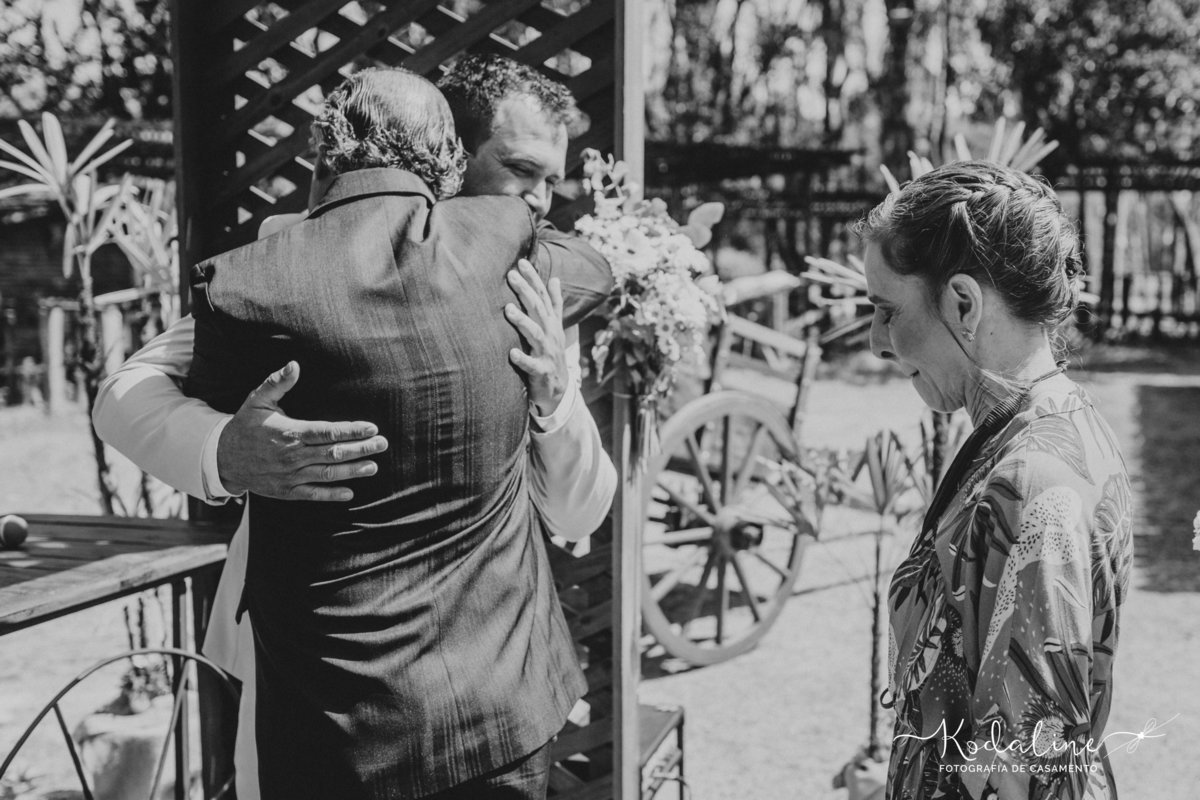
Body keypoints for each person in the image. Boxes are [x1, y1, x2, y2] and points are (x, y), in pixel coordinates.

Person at [92, 59, 615, 799]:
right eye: (522, 170)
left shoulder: (532, 288)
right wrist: (223, 451)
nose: (539, 201)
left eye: (552, 183)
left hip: (491, 683)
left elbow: (579, 509)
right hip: (322, 691)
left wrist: (556, 401)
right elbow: (126, 391)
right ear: (451, 160)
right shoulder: (283, 272)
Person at [855, 161, 1132, 799]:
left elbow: (1022, 772)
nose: (875, 341)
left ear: (963, 303)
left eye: (886, 310)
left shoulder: (1033, 484)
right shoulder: (1057, 420)